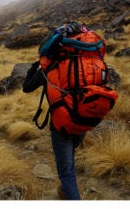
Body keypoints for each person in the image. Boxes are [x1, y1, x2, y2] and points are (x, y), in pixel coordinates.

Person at [24, 22, 87, 200]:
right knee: (69, 157)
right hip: (84, 119)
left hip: (61, 124)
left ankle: (70, 193)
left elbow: (27, 88)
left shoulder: (48, 66)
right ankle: (65, 191)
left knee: (66, 172)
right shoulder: (84, 62)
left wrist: (32, 69)